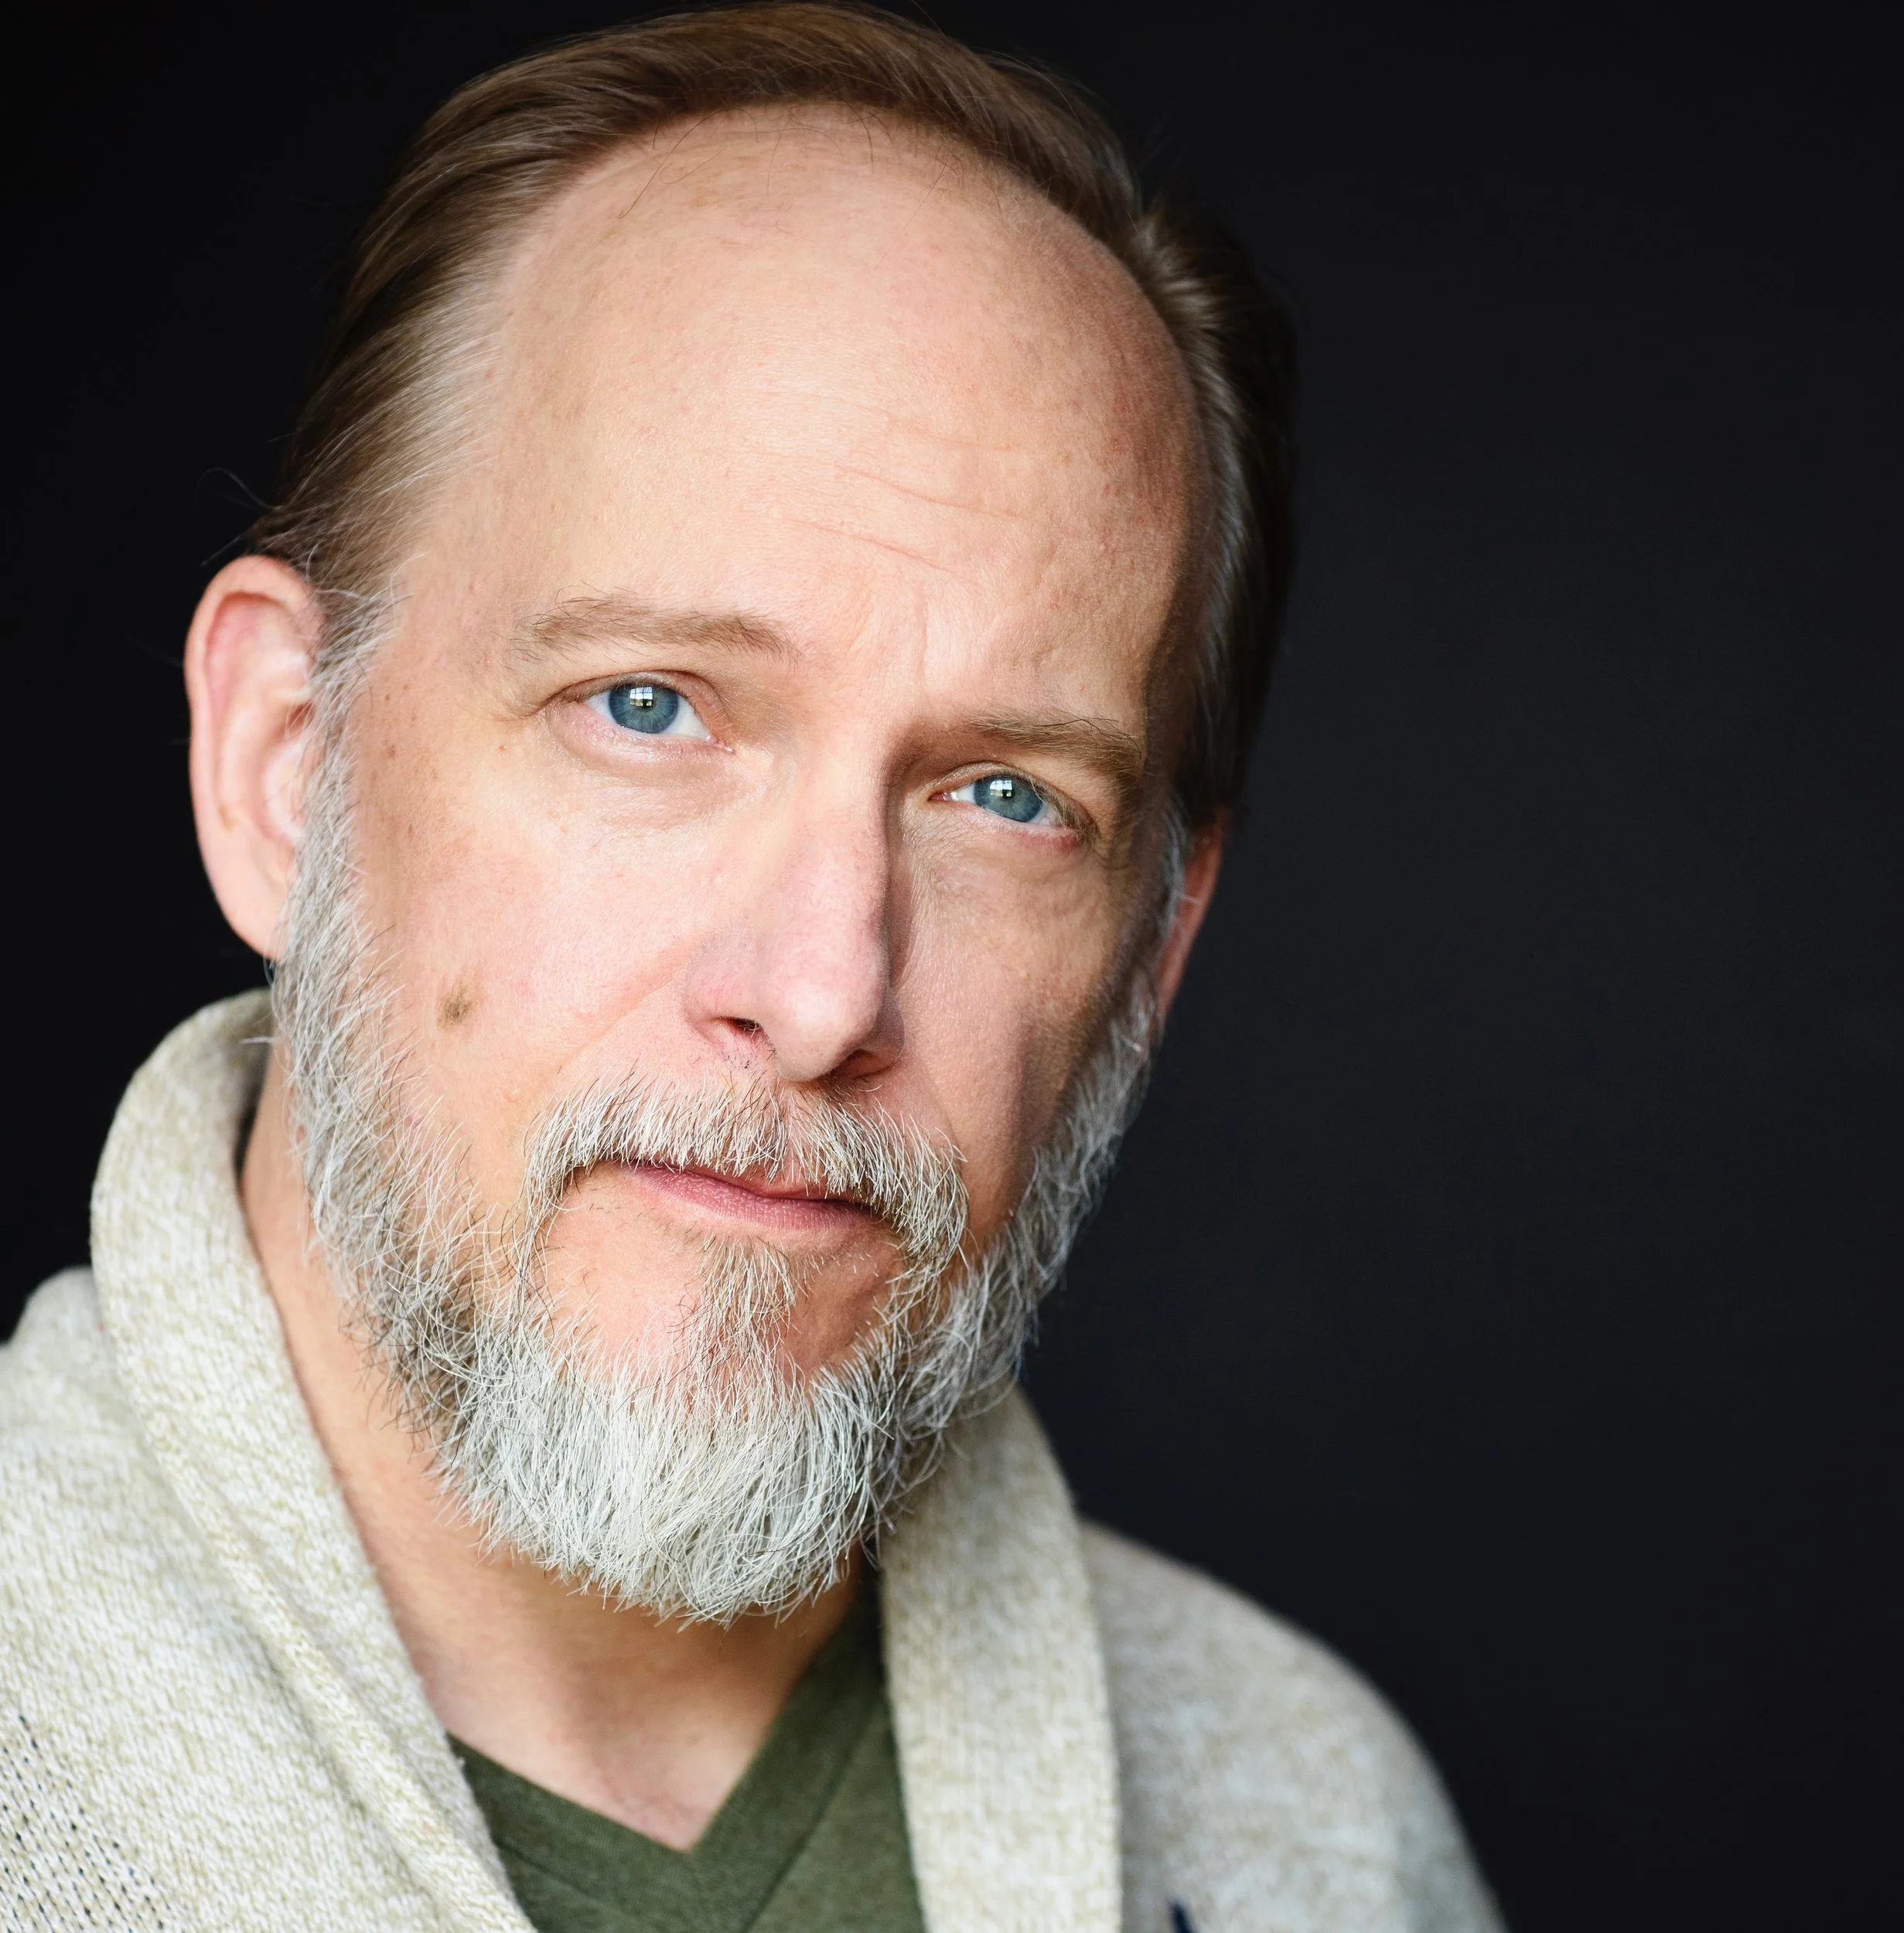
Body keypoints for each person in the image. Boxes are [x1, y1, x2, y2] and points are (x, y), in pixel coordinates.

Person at [0, 7, 1501, 1928]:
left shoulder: (1315, 1822)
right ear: (283, 762)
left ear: (1150, 957)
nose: (817, 995)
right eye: (647, 705)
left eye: (1003, 797)